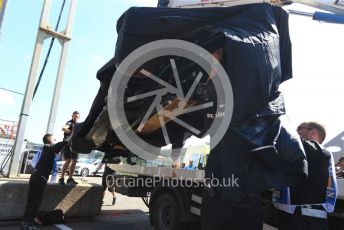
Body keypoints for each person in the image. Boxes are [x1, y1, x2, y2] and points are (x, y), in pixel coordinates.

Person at [273, 121, 337, 230]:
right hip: (293, 218)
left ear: (313, 133)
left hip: (307, 221)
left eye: (299, 128)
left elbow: (286, 136)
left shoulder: (320, 152)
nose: (296, 132)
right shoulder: (300, 156)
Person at [21, 134, 68, 230]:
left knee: (31, 201)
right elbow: (65, 142)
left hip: (35, 176)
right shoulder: (51, 147)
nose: (55, 140)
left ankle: (26, 223)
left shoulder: (46, 148)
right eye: (54, 139)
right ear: (50, 140)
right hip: (40, 178)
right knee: (35, 202)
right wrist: (73, 133)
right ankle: (27, 224)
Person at [58, 111, 80, 185]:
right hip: (68, 144)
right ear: (72, 116)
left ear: (79, 117)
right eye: (74, 116)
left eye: (77, 116)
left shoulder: (79, 125)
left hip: (76, 145)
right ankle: (61, 178)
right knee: (68, 161)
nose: (75, 118)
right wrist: (71, 132)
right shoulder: (69, 123)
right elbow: (64, 128)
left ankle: (70, 178)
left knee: (74, 162)